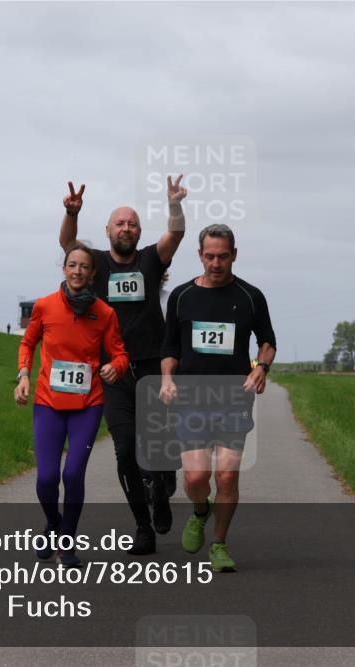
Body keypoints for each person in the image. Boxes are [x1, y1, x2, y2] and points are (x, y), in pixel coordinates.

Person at [59, 178, 187, 555]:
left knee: (158, 448)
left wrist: (174, 205)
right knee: (126, 451)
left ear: (138, 232)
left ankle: (162, 486)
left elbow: (175, 236)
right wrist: (71, 212)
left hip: (152, 367)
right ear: (108, 231)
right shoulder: (95, 263)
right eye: (120, 223)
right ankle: (143, 527)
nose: (126, 228)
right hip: (112, 372)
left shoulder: (150, 259)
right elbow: (68, 244)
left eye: (132, 224)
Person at [159, 224, 276, 572]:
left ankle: (219, 545)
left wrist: (261, 369)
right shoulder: (181, 296)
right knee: (196, 478)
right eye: (209, 256)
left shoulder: (251, 296)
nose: (216, 263)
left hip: (233, 400)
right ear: (199, 256)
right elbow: (169, 348)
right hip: (191, 400)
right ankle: (199, 510)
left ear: (234, 255)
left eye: (223, 256)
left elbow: (267, 341)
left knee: (226, 478)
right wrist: (166, 379)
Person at [15, 242, 129, 568]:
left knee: (74, 473)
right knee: (47, 477)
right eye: (72, 265)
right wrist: (24, 375)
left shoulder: (104, 313)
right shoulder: (45, 307)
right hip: (48, 403)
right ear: (64, 269)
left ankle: (67, 541)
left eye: (84, 266)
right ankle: (53, 523)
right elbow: (28, 342)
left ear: (93, 274)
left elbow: (120, 354)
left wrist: (115, 367)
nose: (77, 271)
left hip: (87, 404)